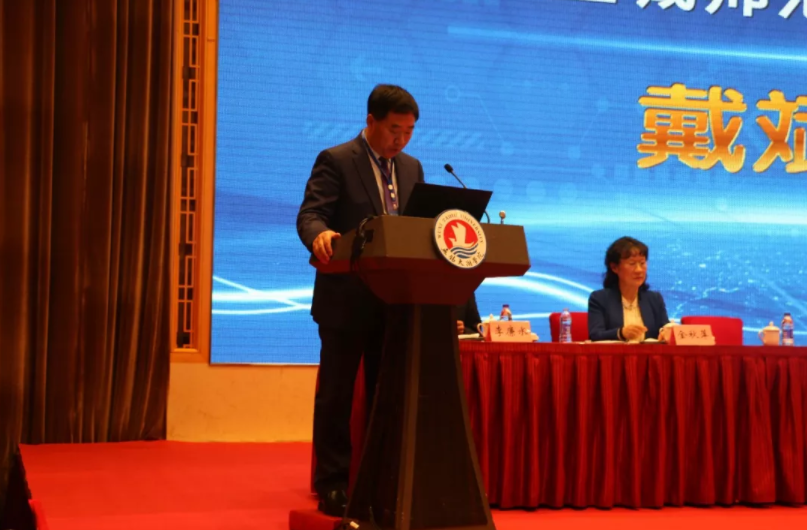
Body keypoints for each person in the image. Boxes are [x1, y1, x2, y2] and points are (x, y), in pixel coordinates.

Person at [296, 85, 424, 516]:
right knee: (336, 395)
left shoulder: (412, 168)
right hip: (345, 301)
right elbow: (311, 214)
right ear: (371, 121)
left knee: (386, 396)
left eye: (408, 131)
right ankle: (332, 482)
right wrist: (319, 234)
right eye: (394, 129)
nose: (400, 139)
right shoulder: (336, 160)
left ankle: (379, 479)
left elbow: (416, 227)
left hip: (396, 303)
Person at [588, 236, 669, 342]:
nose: (639, 270)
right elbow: (595, 335)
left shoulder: (654, 299)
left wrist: (667, 332)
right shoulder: (599, 299)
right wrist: (621, 333)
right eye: (632, 264)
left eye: (642, 263)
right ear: (614, 267)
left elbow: (665, 328)